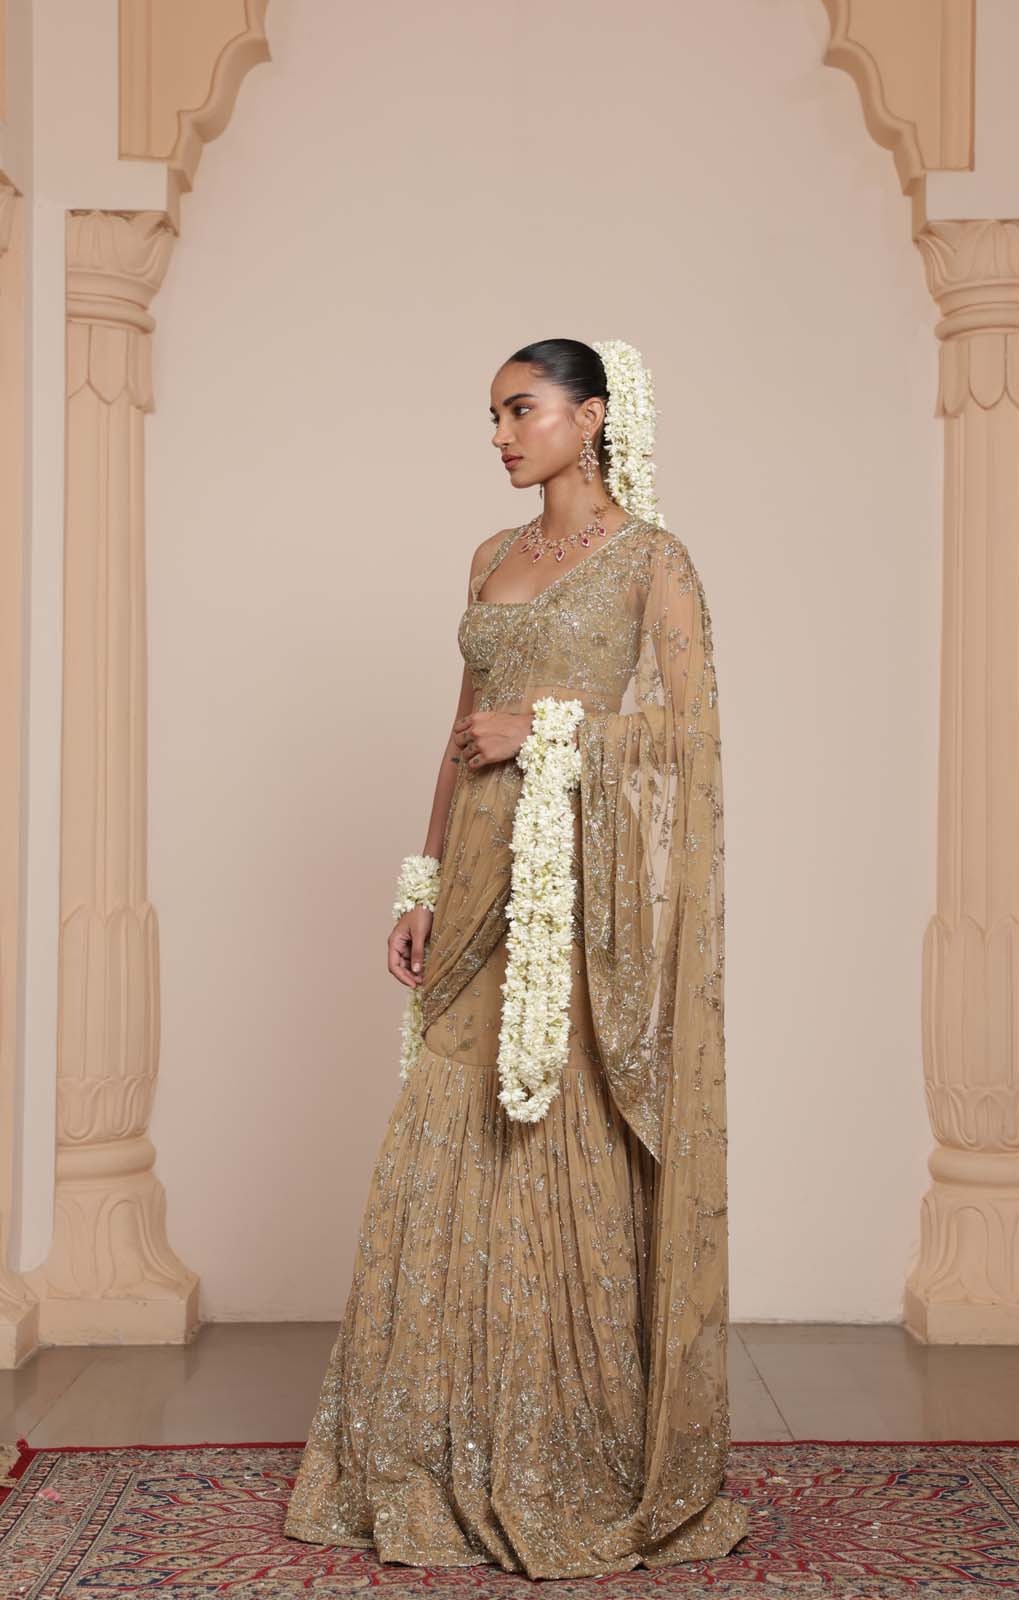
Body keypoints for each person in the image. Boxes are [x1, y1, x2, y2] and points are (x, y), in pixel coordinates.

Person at [282, 337, 747, 1579]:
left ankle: (561, 1444)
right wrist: (423, 880)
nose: (498, 435)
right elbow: (457, 734)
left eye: (520, 410)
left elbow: (685, 737)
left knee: (553, 1139)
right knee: (446, 1135)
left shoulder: (651, 561)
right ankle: (429, 1443)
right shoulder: (491, 556)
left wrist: (547, 730)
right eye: (491, 416)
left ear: (589, 418)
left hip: (575, 896)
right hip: (481, 874)